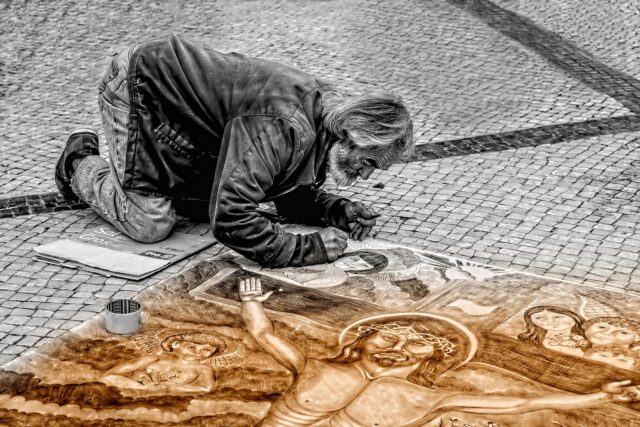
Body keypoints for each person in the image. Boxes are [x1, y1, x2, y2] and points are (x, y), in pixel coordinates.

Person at [54, 34, 414, 267]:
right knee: (151, 224)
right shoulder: (283, 126)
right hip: (142, 88)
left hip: (191, 127)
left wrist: (336, 210)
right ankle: (78, 163)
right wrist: (307, 250)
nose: (364, 175)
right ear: (350, 135)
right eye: (368, 163)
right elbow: (231, 221)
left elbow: (285, 191)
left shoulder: (322, 127)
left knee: (201, 205)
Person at [239, 278, 640, 427]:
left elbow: (519, 402)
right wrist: (251, 301)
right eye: (388, 336)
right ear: (360, 340)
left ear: (431, 358)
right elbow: (262, 333)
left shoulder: (430, 399)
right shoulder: (312, 365)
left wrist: (596, 396)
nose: (398, 346)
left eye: (415, 343)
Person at [99, 331, 219, 393]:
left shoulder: (203, 369)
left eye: (207, 349)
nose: (198, 351)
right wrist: (142, 388)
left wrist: (169, 387)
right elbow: (109, 376)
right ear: (175, 344)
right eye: (192, 347)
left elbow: (205, 388)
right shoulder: (152, 359)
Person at [517, 305, 589, 357]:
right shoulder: (528, 339)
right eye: (539, 318)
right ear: (531, 321)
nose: (551, 321)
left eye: (557, 317)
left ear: (575, 317)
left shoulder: (589, 339)